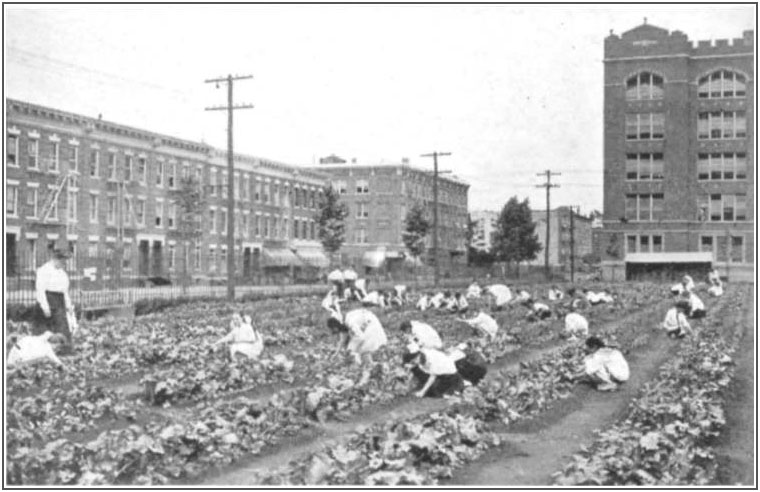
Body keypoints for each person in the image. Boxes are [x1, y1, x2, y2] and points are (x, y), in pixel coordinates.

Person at [328, 308, 387, 385]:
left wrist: (350, 350)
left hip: (372, 328)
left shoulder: (350, 321)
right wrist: (336, 353)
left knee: (364, 351)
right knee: (361, 352)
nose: (334, 331)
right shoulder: (343, 322)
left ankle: (376, 371)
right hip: (366, 328)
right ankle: (373, 371)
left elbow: (360, 337)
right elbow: (343, 339)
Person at [34, 249, 75, 353]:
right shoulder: (43, 270)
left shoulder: (63, 274)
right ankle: (42, 352)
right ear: (55, 259)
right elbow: (40, 290)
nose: (64, 264)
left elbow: (65, 292)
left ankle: (64, 351)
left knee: (62, 327)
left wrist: (69, 306)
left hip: (59, 302)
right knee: (44, 331)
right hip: (47, 300)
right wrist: (45, 307)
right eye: (63, 261)